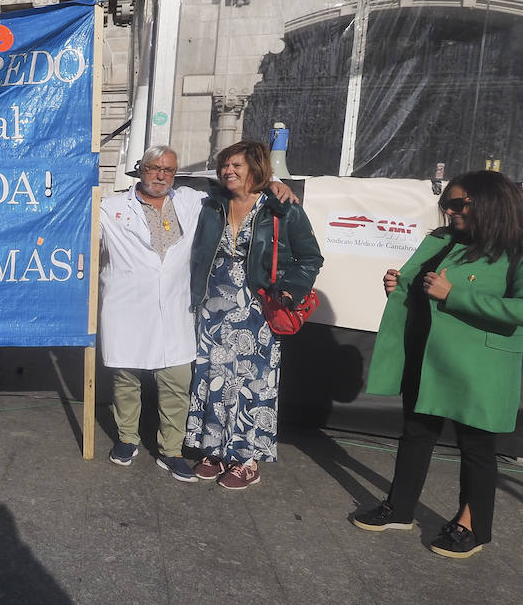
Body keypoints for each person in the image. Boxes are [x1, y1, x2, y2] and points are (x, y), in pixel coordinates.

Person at [100, 144, 297, 482]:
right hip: (126, 306)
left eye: (168, 170)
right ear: (140, 169)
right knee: (126, 379)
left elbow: (234, 177)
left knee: (176, 380)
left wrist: (275, 181)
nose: (160, 175)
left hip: (175, 307)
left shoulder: (192, 200)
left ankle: (171, 450)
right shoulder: (110, 207)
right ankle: (127, 439)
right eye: (153, 168)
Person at [352, 171, 523, 559]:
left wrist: (455, 295)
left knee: (477, 448)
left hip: (481, 366)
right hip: (428, 355)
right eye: (447, 203)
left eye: (459, 203)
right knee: (416, 433)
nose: (449, 210)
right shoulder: (443, 239)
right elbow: (423, 286)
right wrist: (399, 286)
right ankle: (400, 508)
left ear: (490, 202)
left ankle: (473, 525)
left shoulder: (516, 248)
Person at [186, 140, 322, 490]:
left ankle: (246, 459)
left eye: (237, 165)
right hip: (213, 306)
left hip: (257, 307)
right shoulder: (213, 205)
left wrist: (291, 289)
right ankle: (213, 448)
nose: (228, 171)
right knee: (213, 374)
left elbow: (310, 258)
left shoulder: (281, 208)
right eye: (225, 166)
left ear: (255, 168)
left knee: (252, 382)